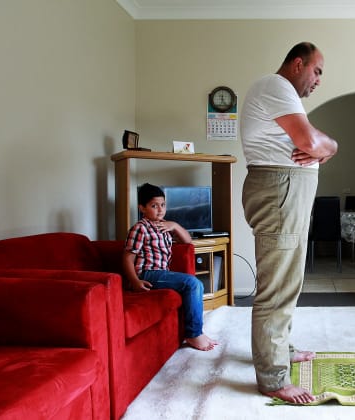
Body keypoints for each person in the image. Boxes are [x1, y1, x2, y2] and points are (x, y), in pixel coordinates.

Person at [240, 42, 339, 404]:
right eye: (317, 71)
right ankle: (273, 378)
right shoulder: (276, 86)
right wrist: (331, 145)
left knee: (288, 279)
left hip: (284, 190)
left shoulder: (279, 93)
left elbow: (315, 145)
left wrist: (325, 148)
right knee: (277, 286)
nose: (318, 81)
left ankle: (279, 350)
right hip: (280, 190)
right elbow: (310, 141)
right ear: (298, 64)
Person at [122, 183, 218, 351]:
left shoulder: (165, 226)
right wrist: (135, 282)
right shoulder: (140, 228)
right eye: (154, 206)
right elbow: (127, 259)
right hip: (147, 273)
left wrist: (174, 225)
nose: (160, 209)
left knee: (192, 285)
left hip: (161, 273)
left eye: (163, 205)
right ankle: (193, 333)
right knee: (193, 283)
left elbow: (187, 241)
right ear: (142, 208)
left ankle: (196, 331)